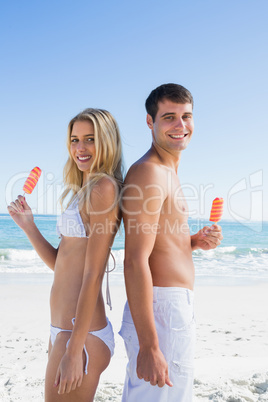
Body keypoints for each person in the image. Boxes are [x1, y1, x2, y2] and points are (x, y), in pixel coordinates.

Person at [7, 108, 123, 401]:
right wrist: (29, 227)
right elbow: (62, 265)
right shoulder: (82, 189)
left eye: (90, 139)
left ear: (107, 142)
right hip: (63, 329)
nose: (80, 148)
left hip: (79, 335)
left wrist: (74, 349)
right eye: (74, 139)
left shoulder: (103, 188)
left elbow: (93, 273)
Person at [119, 83, 223, 401]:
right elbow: (134, 259)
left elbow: (158, 245)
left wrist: (191, 243)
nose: (181, 126)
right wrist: (150, 345)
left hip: (168, 307)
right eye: (169, 117)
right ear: (150, 122)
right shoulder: (149, 172)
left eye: (186, 116)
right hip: (160, 310)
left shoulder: (167, 172)